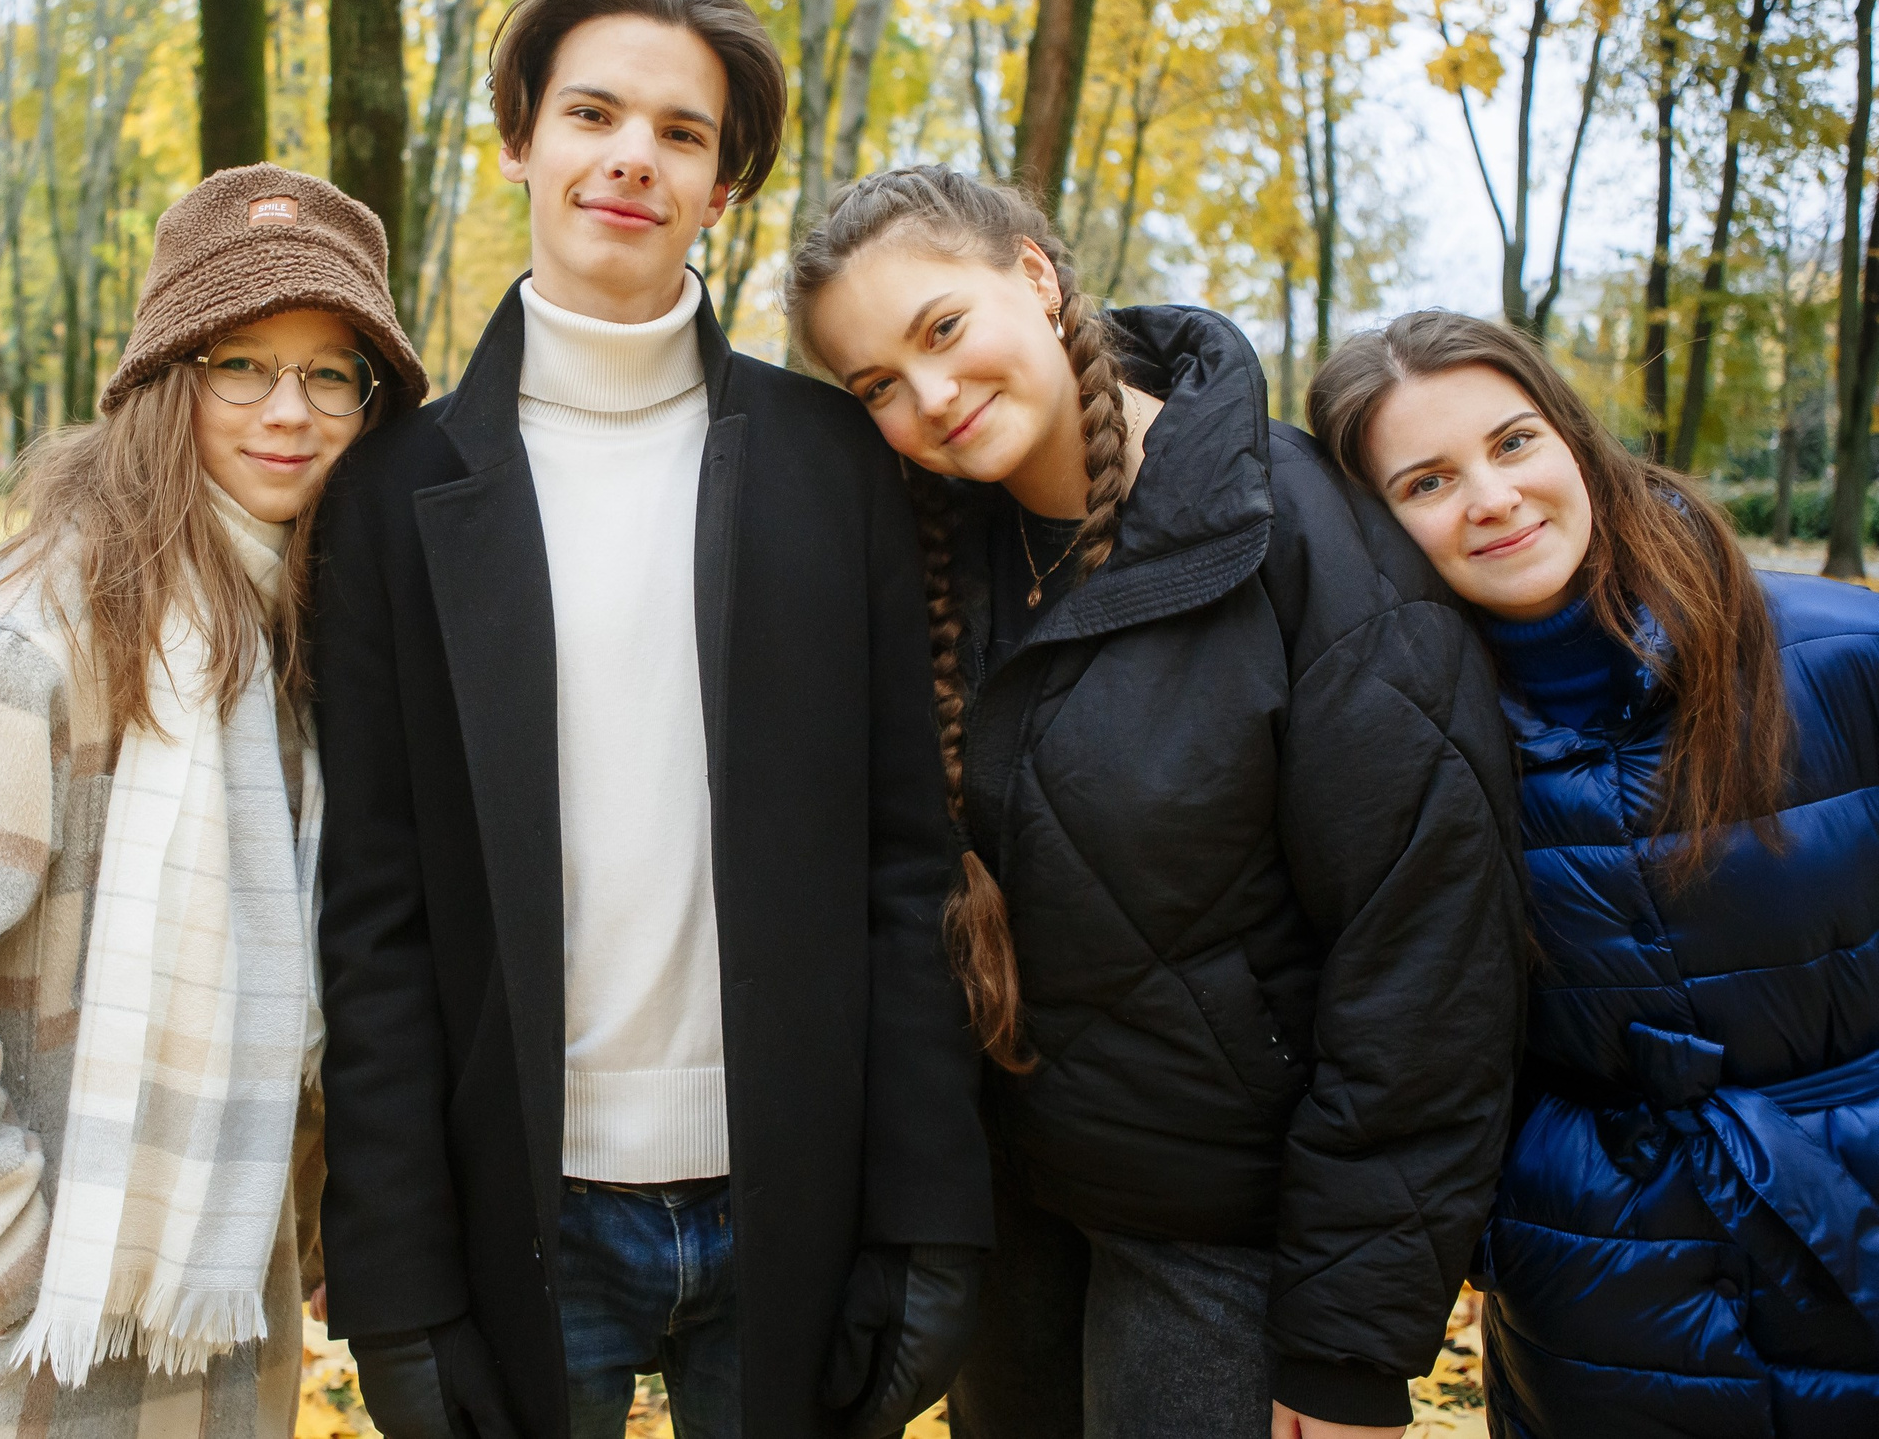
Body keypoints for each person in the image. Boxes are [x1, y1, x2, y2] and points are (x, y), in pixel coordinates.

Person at [313, 0, 993, 1439]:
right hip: (522, 1215)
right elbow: (374, 917)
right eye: (594, 113)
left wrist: (932, 1214)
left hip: (794, 1196)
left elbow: (906, 860)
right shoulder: (391, 492)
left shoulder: (832, 461)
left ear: (723, 186)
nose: (634, 155)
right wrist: (395, 1281)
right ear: (520, 141)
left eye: (682, 133)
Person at [784, 166, 1527, 1439]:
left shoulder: (1303, 540)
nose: (931, 401)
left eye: (943, 330)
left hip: (1224, 1249)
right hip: (1006, 1224)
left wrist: (1350, 1340)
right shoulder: (924, 562)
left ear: (1034, 273)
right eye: (878, 389)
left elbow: (1426, 950)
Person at [0, 165, 425, 1439]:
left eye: (329, 373)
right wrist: (5, 1280)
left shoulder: (294, 654)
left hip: (214, 1340)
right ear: (165, 381)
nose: (287, 411)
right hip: (22, 1366)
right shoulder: (29, 643)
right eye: (240, 363)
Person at [1308, 310, 1879, 1438]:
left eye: (1513, 443)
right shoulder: (1385, 745)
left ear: (1573, 439)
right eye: (1426, 482)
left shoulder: (1838, 652)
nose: (1492, 497)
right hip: (1593, 1290)